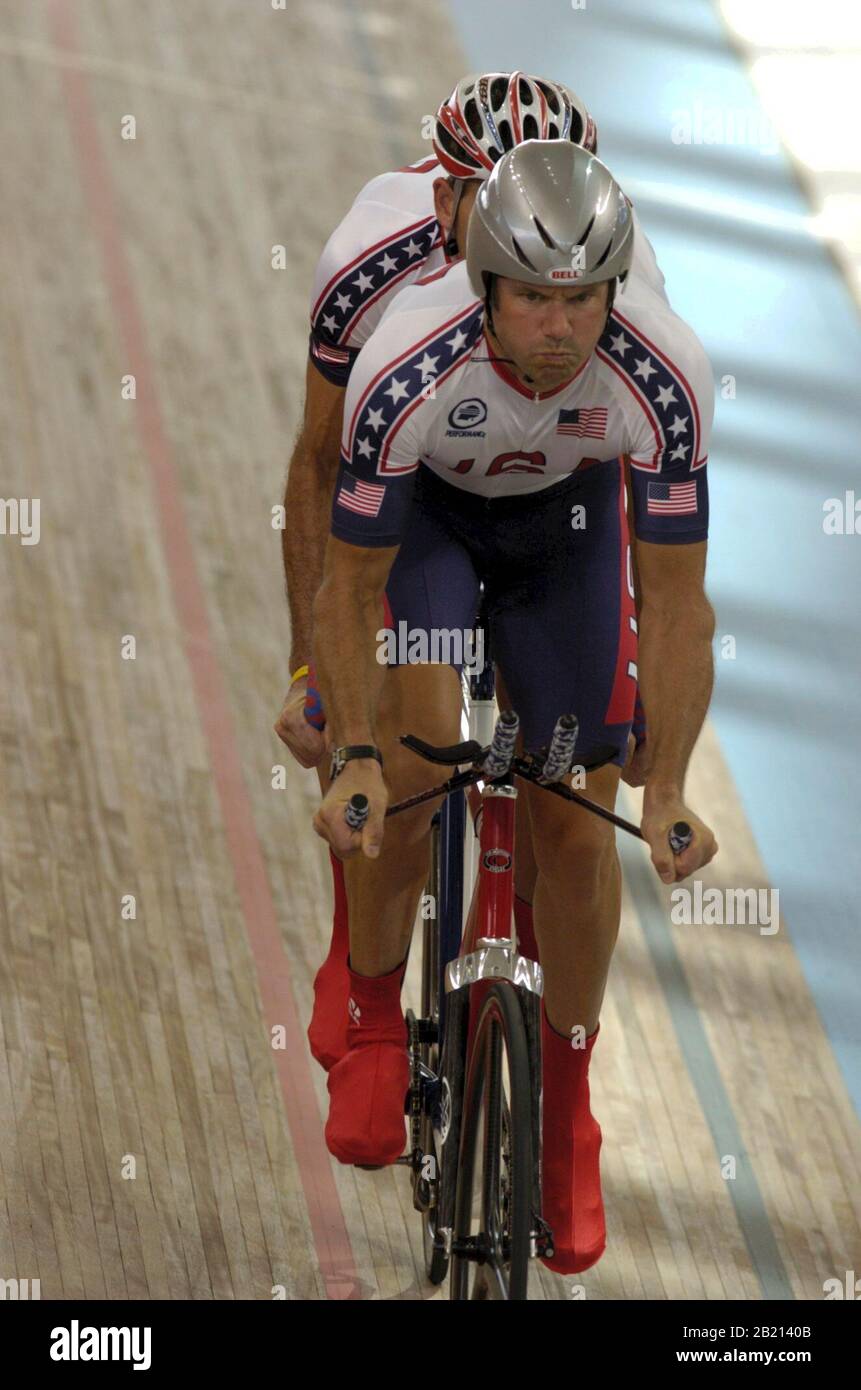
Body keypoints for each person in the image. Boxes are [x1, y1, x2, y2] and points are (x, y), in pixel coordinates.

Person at [310, 139, 718, 1274]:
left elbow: (678, 606)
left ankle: (569, 1109)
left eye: (582, 297)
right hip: (432, 530)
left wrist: (672, 779)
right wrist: (349, 749)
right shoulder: (408, 367)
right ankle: (380, 1016)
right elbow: (349, 584)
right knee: (419, 761)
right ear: (485, 283)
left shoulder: (663, 373)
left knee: (577, 826)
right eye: (535, 296)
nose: (561, 326)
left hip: (567, 539)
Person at [277, 73, 666, 1073]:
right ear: (444, 197)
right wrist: (309, 673)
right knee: (400, 754)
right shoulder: (369, 267)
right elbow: (321, 468)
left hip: (559, 508)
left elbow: (642, 465)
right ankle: (359, 962)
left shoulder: (619, 282)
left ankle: (543, 1077)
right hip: (421, 500)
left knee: (566, 784)